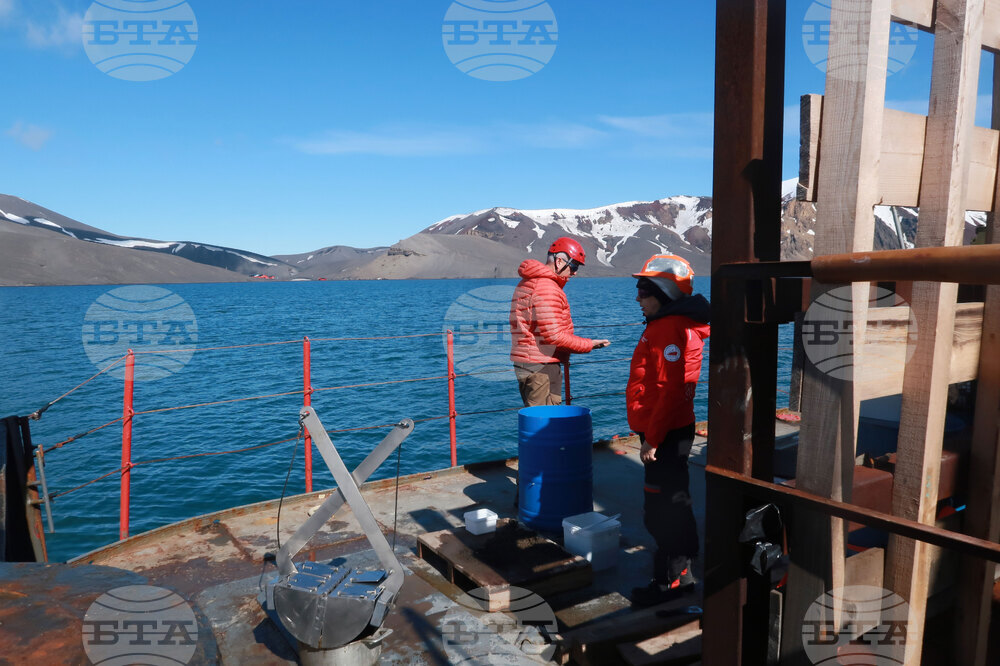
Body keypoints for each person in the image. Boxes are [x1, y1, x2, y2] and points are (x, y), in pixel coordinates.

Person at [625, 254, 710, 607]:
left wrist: (653, 439)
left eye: (644, 290)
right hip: (676, 427)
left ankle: (673, 582)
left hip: (665, 433)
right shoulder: (677, 323)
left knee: (661, 506)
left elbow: (669, 389)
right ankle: (683, 564)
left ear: (663, 292)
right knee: (675, 496)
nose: (638, 298)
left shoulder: (666, 329)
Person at [509, 237, 610, 406]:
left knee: (540, 419)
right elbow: (553, 336)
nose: (575, 272)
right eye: (574, 266)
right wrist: (589, 344)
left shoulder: (528, 282)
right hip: (542, 364)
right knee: (544, 422)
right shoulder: (546, 287)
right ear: (559, 261)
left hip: (530, 362)